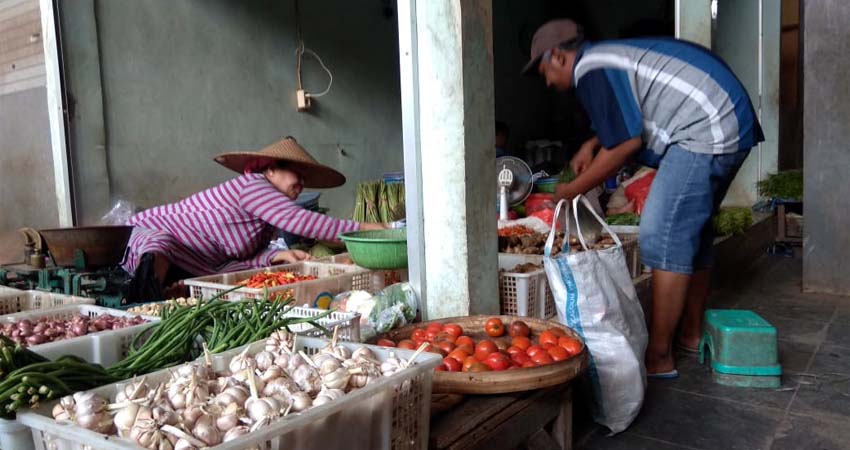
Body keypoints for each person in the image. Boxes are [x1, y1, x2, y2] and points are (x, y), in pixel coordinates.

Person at [523, 20, 763, 377]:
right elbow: (625, 122)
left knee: (661, 235)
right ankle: (691, 334)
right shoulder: (606, 58)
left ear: (558, 56)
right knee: (691, 236)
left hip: (704, 128)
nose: (548, 83)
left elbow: (625, 143)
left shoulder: (591, 68)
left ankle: (659, 356)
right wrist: (592, 144)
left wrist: (568, 191)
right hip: (728, 119)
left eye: (545, 72)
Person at [122, 137, 387, 302]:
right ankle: (145, 303)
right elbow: (300, 221)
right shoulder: (254, 185)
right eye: (298, 173)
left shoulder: (266, 216)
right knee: (158, 249)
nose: (302, 183)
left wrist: (275, 258)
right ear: (271, 170)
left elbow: (234, 261)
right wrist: (367, 229)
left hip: (197, 262)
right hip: (149, 233)